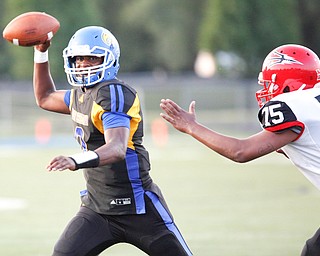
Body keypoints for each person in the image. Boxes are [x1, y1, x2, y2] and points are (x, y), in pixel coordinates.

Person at [32, 26, 192, 256]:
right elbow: (45, 97)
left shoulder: (113, 92)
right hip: (98, 208)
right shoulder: (80, 94)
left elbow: (117, 148)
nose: (83, 64)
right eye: (78, 58)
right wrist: (41, 52)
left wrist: (74, 161)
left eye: (91, 57)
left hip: (138, 207)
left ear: (109, 59)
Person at [160, 44, 320, 256]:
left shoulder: (294, 105)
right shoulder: (312, 102)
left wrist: (191, 127)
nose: (266, 89)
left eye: (270, 83)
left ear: (290, 83)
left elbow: (240, 152)